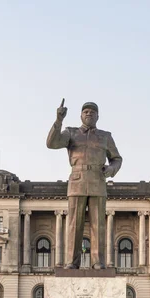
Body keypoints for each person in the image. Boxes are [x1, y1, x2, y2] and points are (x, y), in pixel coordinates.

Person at [46, 99, 122, 269]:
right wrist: (58, 120)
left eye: (92, 112)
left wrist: (111, 169)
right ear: (80, 115)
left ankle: (97, 261)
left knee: (98, 225)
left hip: (98, 180)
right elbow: (51, 143)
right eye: (86, 111)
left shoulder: (105, 136)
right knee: (74, 224)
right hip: (77, 180)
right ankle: (72, 262)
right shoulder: (71, 133)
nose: (89, 113)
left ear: (98, 116)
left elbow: (117, 158)